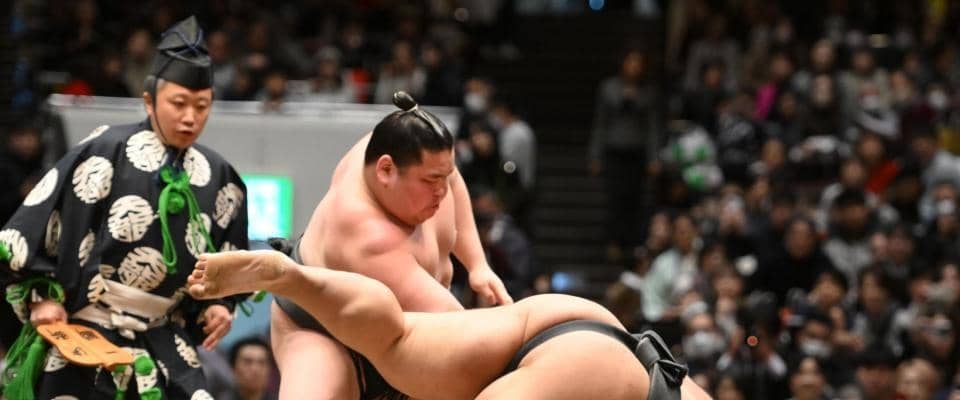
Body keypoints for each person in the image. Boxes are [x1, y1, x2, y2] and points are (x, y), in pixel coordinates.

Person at [0, 16, 248, 400]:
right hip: (84, 333)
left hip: (166, 342)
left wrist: (218, 306)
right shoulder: (105, 150)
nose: (190, 117)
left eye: (202, 106)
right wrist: (40, 296)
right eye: (179, 103)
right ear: (149, 101)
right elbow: (30, 229)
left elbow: (226, 262)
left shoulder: (221, 176)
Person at [188, 249, 711, 400]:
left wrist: (478, 264)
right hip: (600, 377)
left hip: (578, 322)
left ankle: (294, 276)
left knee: (398, 338)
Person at [270, 91, 512, 399]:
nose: (442, 191)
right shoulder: (366, 235)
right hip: (321, 330)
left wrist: (477, 264)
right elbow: (456, 328)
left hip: (405, 336)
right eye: (430, 181)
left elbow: (452, 179)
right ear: (385, 171)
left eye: (444, 176)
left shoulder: (397, 150)